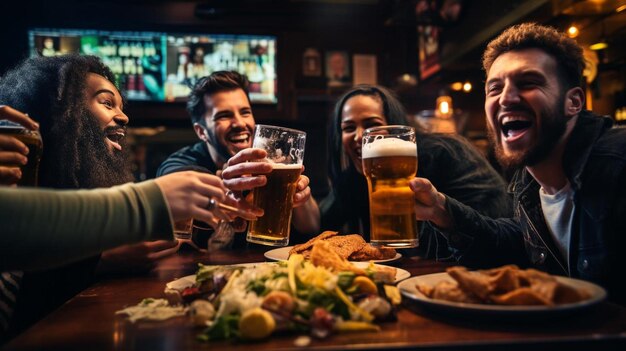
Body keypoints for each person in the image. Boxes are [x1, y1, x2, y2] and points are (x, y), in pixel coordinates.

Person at [408, 23, 626, 303]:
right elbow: (518, 244)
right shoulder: (528, 181)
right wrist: (443, 212)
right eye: (494, 88)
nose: (506, 98)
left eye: (528, 83)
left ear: (573, 102)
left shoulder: (617, 166)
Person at [0, 54, 183, 337]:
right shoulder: (18, 187)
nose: (123, 117)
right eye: (107, 103)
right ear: (61, 110)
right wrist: (99, 259)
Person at [321, 84, 512, 259]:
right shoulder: (357, 177)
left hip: (485, 259)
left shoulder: (443, 154)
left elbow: (493, 225)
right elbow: (322, 219)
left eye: (372, 125)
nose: (360, 136)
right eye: (348, 127)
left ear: (395, 125)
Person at [157, 71, 319, 242]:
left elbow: (312, 226)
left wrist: (298, 194)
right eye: (224, 116)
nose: (240, 123)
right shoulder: (181, 162)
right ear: (201, 131)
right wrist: (225, 185)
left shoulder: (276, 165)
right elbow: (180, 183)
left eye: (245, 112)